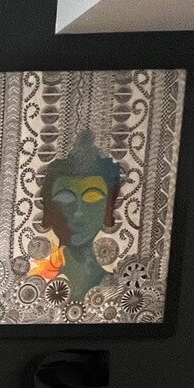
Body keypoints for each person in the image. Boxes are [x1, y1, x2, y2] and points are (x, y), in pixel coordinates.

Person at [30, 130, 123, 304]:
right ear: (47, 209)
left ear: (108, 211)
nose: (78, 211)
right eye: (65, 198)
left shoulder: (119, 291)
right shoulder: (34, 288)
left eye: (92, 196)